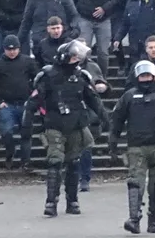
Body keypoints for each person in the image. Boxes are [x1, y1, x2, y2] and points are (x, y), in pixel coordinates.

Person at [23, 39, 109, 217]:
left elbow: (93, 100)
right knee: (54, 162)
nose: (75, 60)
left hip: (76, 125)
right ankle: (51, 202)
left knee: (74, 163)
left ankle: (72, 201)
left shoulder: (81, 76)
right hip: (54, 124)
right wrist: (27, 123)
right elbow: (34, 101)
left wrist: (105, 118)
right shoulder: (48, 76)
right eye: (72, 57)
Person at [108, 59, 155, 234]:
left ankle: (154, 220)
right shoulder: (129, 96)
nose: (145, 78)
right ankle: (134, 218)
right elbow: (117, 119)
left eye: (148, 75)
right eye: (142, 75)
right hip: (136, 146)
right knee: (135, 182)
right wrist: (113, 142)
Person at [0, 34, 35, 169]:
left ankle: (25, 162)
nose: (12, 52)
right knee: (6, 132)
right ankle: (10, 151)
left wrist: (33, 97)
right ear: (4, 49)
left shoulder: (28, 61)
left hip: (25, 103)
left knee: (26, 134)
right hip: (7, 104)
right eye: (9, 49)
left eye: (15, 49)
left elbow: (37, 79)